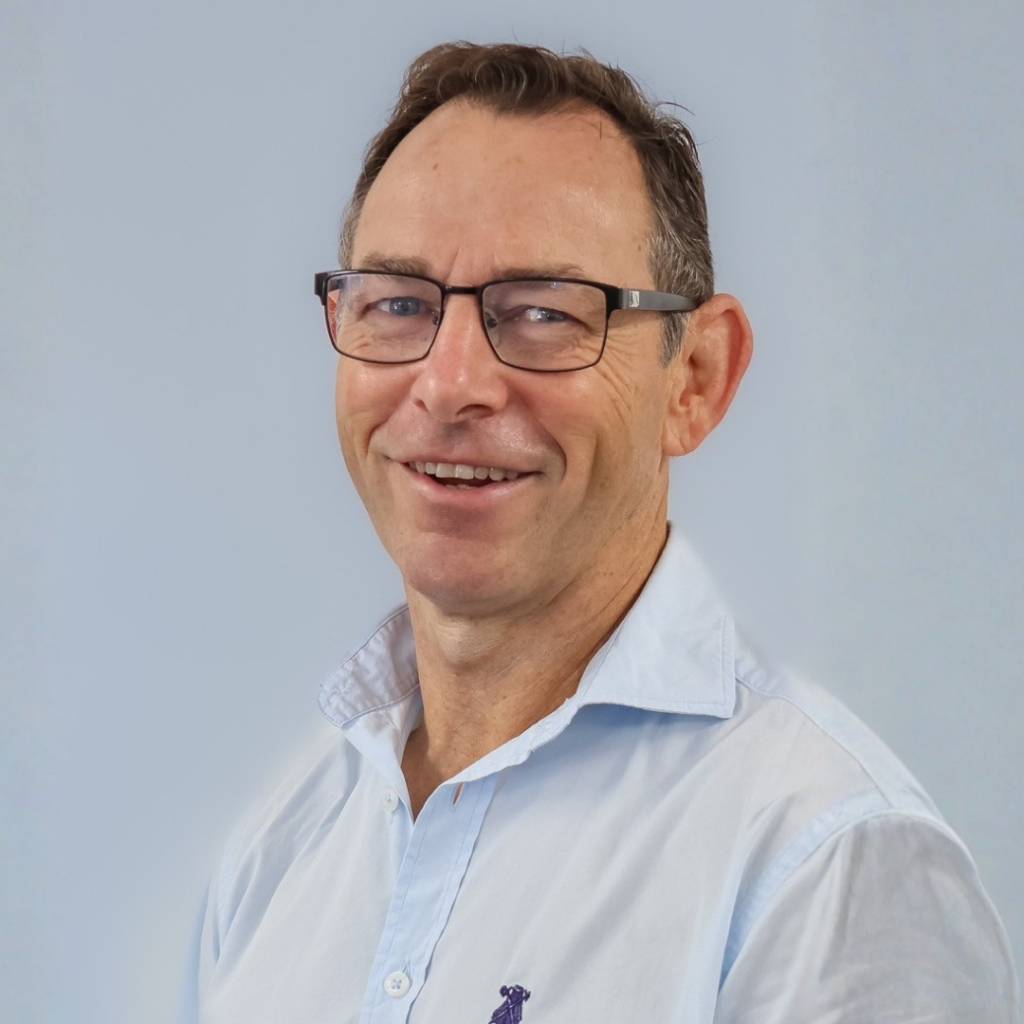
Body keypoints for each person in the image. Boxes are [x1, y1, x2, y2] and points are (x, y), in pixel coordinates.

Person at [191, 42, 1019, 1022]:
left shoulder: (827, 866)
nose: (449, 384)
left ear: (696, 378)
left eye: (544, 312)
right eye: (399, 303)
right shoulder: (280, 850)